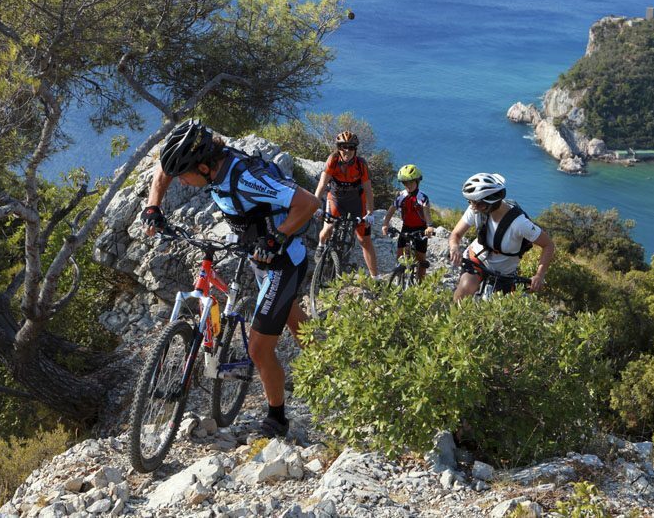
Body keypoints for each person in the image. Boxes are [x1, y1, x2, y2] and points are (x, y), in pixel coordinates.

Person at [139, 120, 320, 437]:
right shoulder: (207, 167)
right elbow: (164, 171)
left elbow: (308, 203)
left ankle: (277, 419)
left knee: (258, 349)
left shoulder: (247, 179)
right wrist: (153, 206)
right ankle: (328, 361)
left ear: (204, 167)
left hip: (283, 261)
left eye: (185, 175)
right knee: (290, 315)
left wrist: (276, 237)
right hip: (259, 257)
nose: (180, 182)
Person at [448, 172, 555, 302]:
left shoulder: (520, 224)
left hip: (504, 272)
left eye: (478, 203)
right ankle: (455, 313)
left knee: (497, 308)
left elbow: (548, 245)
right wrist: (454, 247)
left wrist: (539, 275)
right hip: (477, 259)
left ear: (491, 201)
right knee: (464, 290)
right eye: (470, 201)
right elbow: (456, 234)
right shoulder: (476, 210)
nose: (473, 207)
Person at [313, 130, 379, 276]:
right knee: (328, 228)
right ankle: (321, 245)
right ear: (339, 148)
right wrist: (315, 205)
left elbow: (368, 190)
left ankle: (375, 278)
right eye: (344, 147)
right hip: (336, 199)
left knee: (365, 240)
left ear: (355, 149)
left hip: (356, 201)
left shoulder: (361, 164)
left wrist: (370, 213)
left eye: (351, 147)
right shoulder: (333, 160)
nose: (347, 151)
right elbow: (322, 184)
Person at [381, 164, 435, 282]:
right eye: (405, 183)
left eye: (411, 182)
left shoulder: (422, 197)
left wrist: (429, 226)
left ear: (417, 181)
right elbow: (391, 210)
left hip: (421, 229)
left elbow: (427, 213)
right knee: (400, 256)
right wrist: (385, 224)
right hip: (406, 227)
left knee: (421, 260)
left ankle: (420, 285)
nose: (408, 185)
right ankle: (399, 279)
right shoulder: (401, 196)